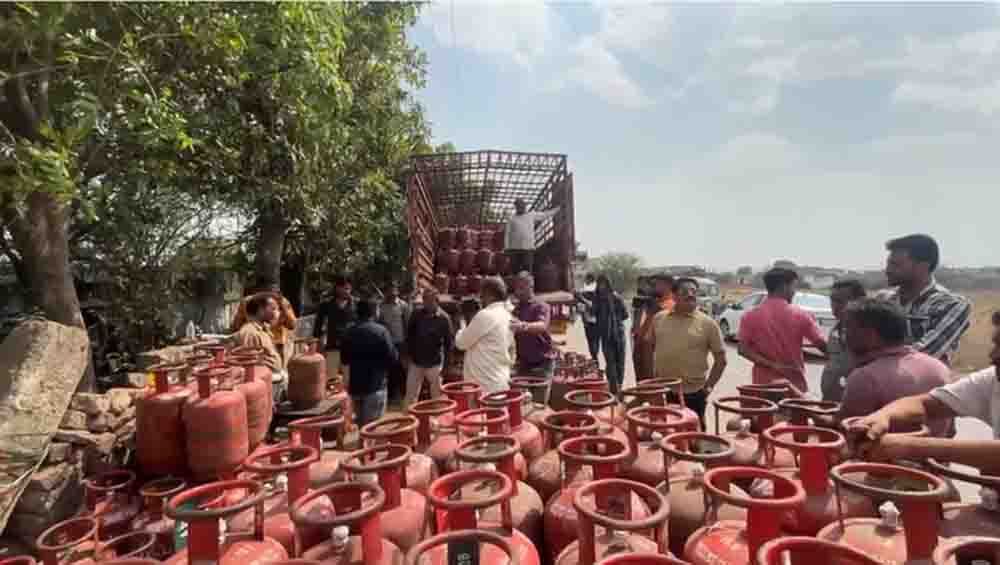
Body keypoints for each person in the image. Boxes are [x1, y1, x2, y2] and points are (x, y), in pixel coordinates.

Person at [849, 311, 1000, 473]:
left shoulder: (864, 375)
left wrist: (910, 446)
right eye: (996, 345)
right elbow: (925, 404)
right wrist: (883, 416)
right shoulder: (991, 379)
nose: (993, 355)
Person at [836, 298, 955, 437]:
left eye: (848, 329)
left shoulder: (865, 377)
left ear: (870, 335)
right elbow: (950, 429)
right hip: (935, 449)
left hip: (886, 450)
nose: (844, 336)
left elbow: (848, 431)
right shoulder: (939, 368)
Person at [880, 234, 972, 365]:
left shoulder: (952, 304)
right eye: (888, 264)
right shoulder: (883, 300)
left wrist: (877, 359)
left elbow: (925, 353)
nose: (888, 270)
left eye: (896, 265)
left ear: (922, 267)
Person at [738, 268, 827, 393]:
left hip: (762, 386)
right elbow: (822, 344)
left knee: (764, 407)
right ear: (784, 287)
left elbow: (742, 350)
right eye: (793, 287)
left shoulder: (749, 316)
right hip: (793, 386)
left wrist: (773, 365)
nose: (794, 292)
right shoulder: (801, 315)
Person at [652, 277, 727, 426]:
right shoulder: (659, 318)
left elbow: (721, 360)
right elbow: (653, 348)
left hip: (693, 394)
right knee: (665, 432)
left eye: (694, 291)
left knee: (694, 435)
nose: (691, 294)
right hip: (663, 391)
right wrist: (654, 383)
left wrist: (708, 388)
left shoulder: (708, 324)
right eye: (685, 291)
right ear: (674, 296)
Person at [340, 298, 397, 427]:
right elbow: (393, 357)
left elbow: (344, 360)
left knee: (361, 426)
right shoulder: (381, 331)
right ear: (374, 312)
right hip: (375, 386)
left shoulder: (349, 332)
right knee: (373, 430)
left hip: (355, 388)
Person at [455, 276, 514, 394]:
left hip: (483, 385)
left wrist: (462, 325)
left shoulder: (486, 315)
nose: (480, 298)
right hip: (499, 381)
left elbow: (461, 343)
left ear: (490, 294)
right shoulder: (507, 315)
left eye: (482, 294)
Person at [230, 275, 297, 367]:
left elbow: (292, 324)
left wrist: (284, 309)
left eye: (276, 308)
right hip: (256, 340)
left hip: (277, 343)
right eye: (272, 308)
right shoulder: (247, 302)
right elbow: (237, 325)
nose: (276, 312)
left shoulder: (282, 301)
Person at [404, 287, 454, 408]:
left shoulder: (444, 318)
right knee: (410, 395)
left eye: (430, 300)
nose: (427, 303)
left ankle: (438, 418)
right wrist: (407, 356)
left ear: (437, 301)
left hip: (435, 363)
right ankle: (408, 417)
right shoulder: (416, 314)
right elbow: (409, 336)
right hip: (416, 362)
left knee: (437, 397)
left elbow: (448, 344)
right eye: (425, 300)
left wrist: (446, 366)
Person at [511, 272, 557, 400]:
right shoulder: (516, 309)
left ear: (531, 287)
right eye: (516, 288)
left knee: (538, 402)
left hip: (542, 363)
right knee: (520, 401)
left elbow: (542, 326)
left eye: (521, 288)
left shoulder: (541, 306)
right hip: (523, 363)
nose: (517, 292)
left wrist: (523, 326)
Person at [234, 293, 286, 403]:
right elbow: (250, 366)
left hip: (273, 383)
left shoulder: (263, 329)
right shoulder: (250, 332)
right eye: (273, 308)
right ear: (261, 310)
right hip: (264, 386)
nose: (277, 312)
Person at [821, 279, 867, 403]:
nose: (834, 305)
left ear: (860, 301)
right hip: (830, 402)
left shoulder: (867, 334)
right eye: (832, 300)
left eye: (840, 301)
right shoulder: (835, 330)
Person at [313, 276, 356, 385]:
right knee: (330, 380)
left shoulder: (356, 305)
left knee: (350, 381)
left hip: (351, 347)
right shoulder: (326, 305)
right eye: (344, 288)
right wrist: (319, 343)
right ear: (337, 288)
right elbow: (318, 327)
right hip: (332, 346)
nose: (347, 291)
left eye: (348, 288)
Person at [590, 274, 629, 395]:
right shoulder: (596, 299)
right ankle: (614, 390)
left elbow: (625, 315)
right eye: (599, 284)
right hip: (605, 336)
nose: (602, 286)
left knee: (620, 363)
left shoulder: (616, 298)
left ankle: (619, 387)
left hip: (618, 335)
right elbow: (592, 314)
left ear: (608, 284)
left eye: (604, 283)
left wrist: (614, 321)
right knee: (610, 364)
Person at [504, 198, 560, 275]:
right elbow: (507, 234)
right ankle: (516, 281)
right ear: (516, 207)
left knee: (527, 270)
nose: (520, 207)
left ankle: (527, 282)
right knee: (515, 270)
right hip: (514, 249)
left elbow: (544, 215)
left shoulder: (531, 215)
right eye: (518, 206)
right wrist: (507, 248)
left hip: (528, 249)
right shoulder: (511, 219)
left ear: (524, 206)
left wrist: (557, 209)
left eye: (522, 205)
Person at [635, 274, 675, 381]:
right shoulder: (654, 303)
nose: (652, 288)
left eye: (655, 284)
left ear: (668, 285)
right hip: (645, 353)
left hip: (655, 357)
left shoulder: (669, 305)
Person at [378, 282, 411, 407]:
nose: (392, 293)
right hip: (387, 344)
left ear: (397, 291)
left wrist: (407, 344)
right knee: (390, 370)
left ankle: (404, 395)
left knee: (402, 370)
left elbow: (408, 324)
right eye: (389, 290)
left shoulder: (403, 306)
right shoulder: (381, 307)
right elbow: (379, 322)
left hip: (400, 343)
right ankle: (391, 397)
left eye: (394, 290)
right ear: (386, 292)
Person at [577, 274, 600, 361]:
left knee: (593, 342)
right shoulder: (587, 290)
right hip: (589, 321)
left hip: (593, 322)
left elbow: (592, 306)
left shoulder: (593, 291)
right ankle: (595, 358)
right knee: (592, 342)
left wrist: (582, 298)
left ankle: (595, 359)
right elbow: (581, 309)